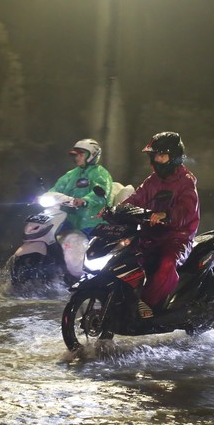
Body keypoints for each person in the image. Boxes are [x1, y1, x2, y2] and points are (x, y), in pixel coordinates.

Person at [121, 132, 200, 319]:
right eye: (155, 155)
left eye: (161, 155)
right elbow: (136, 198)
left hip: (176, 237)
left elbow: (187, 209)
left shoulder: (186, 181)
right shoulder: (152, 181)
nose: (157, 159)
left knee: (167, 263)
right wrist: (116, 210)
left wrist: (167, 215)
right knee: (125, 258)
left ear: (174, 157)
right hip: (151, 235)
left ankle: (149, 304)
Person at [48, 138, 113, 235]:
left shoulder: (100, 173)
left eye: (81, 155)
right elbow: (58, 187)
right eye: (76, 155)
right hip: (69, 220)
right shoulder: (72, 174)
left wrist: (85, 200)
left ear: (92, 155)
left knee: (89, 248)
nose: (77, 158)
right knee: (51, 234)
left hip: (90, 222)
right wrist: (46, 196)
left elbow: (101, 192)